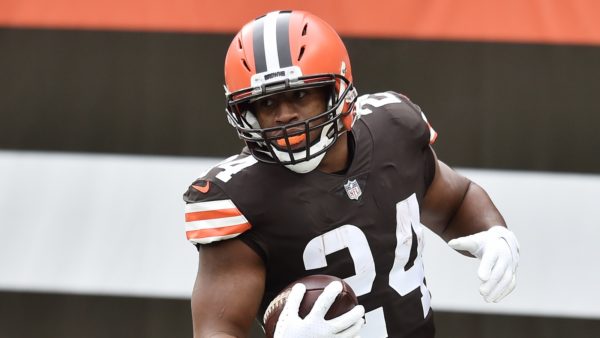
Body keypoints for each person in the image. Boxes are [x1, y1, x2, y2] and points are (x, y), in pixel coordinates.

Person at [183, 10, 520, 338]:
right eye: (267, 104)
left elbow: (456, 202)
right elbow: (217, 329)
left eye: (299, 94)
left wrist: (493, 233)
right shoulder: (239, 198)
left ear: (336, 89)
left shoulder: (394, 131)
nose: (284, 116)